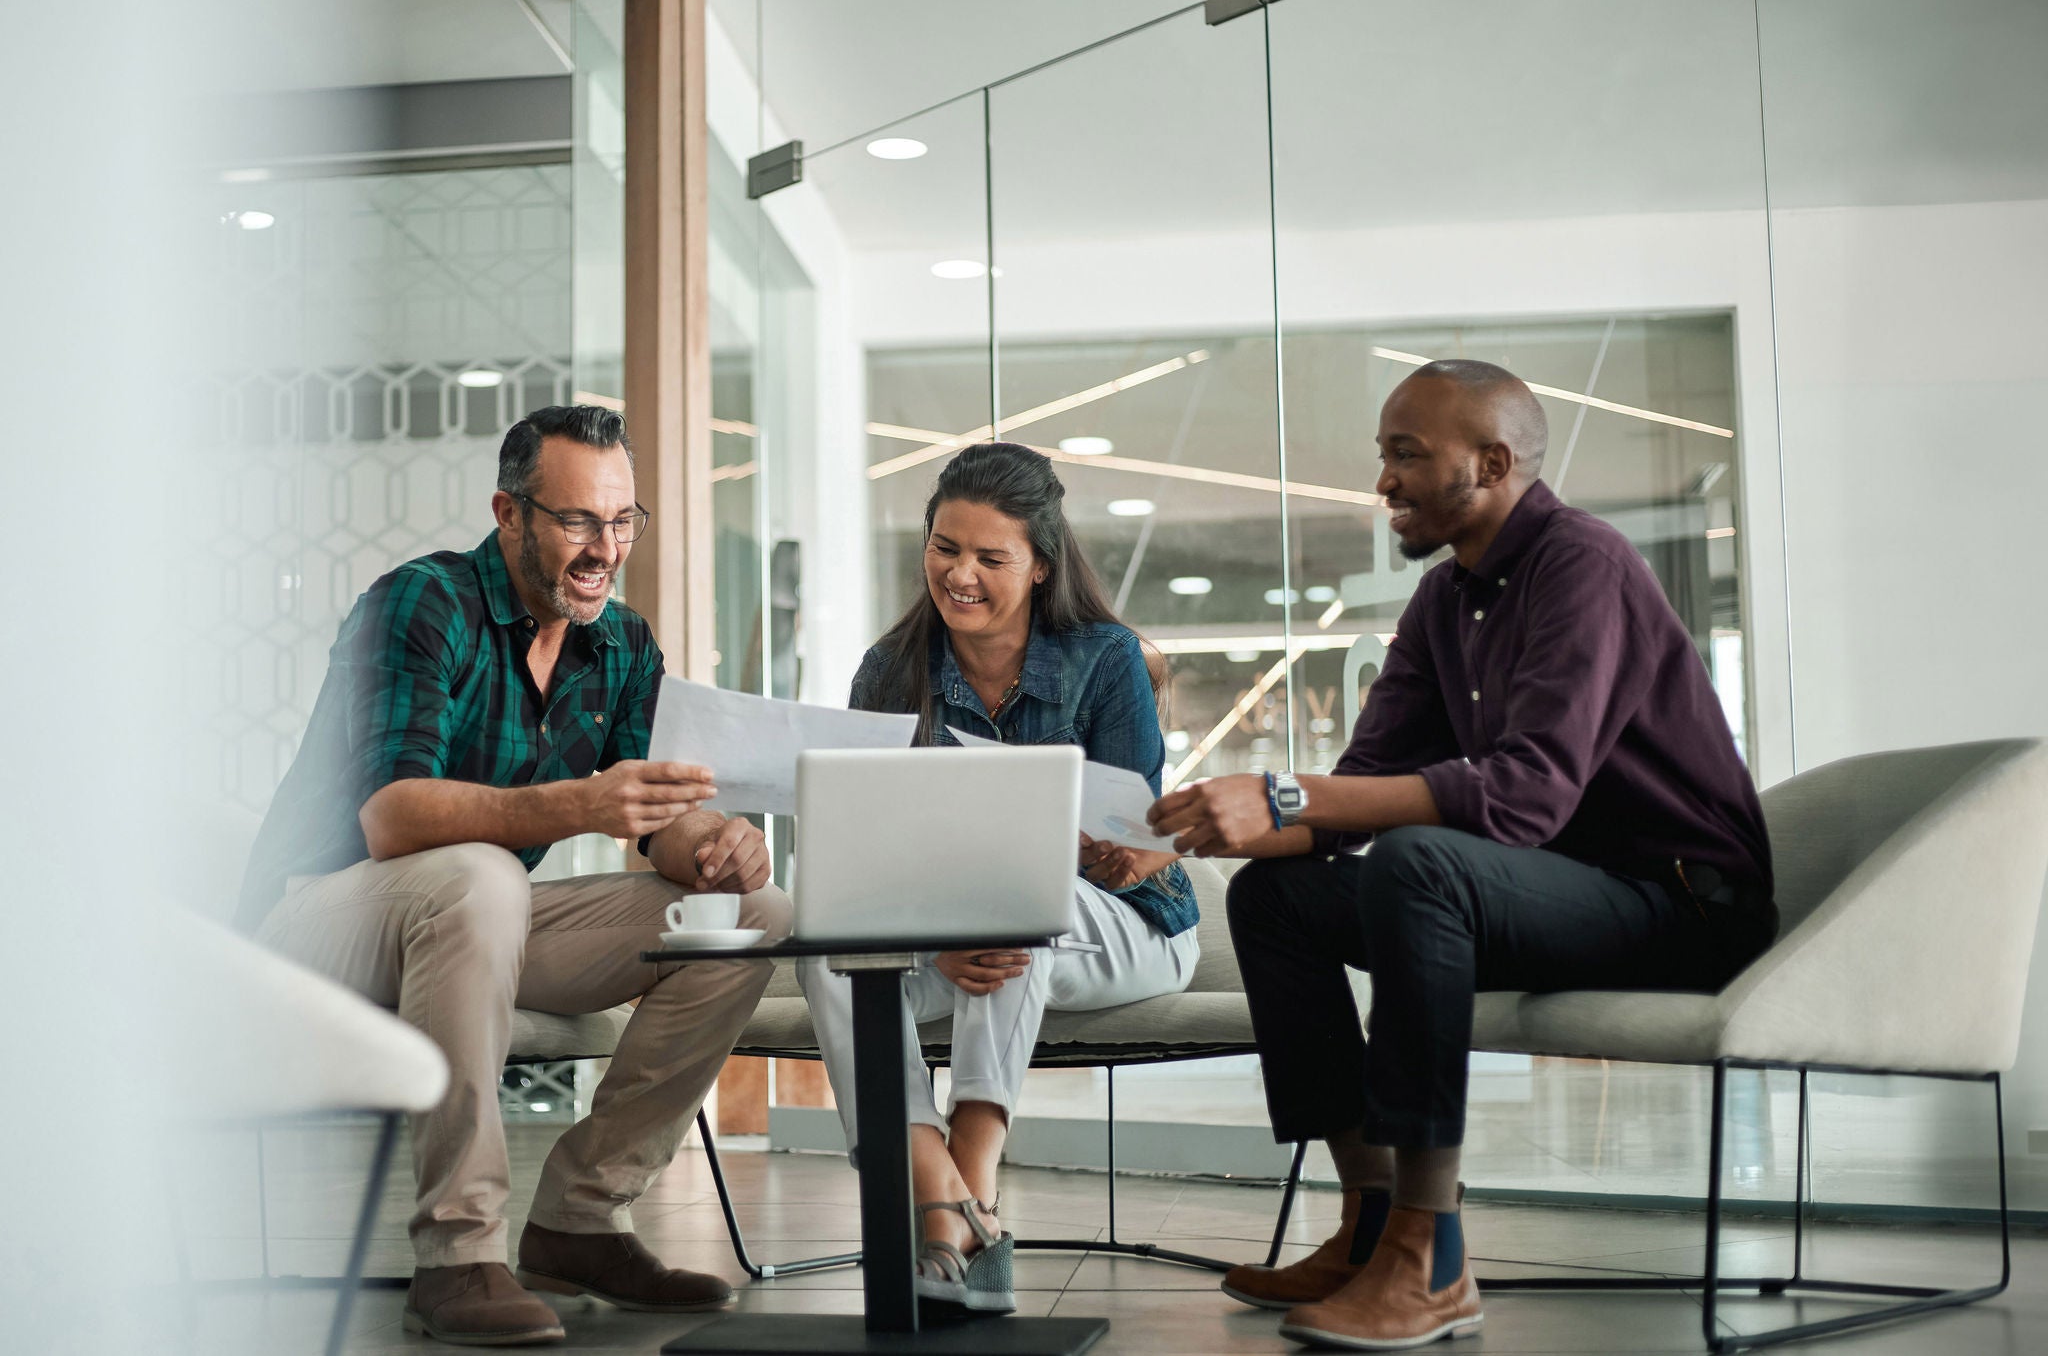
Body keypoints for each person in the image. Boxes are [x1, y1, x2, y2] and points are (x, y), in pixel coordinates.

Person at [1147, 360, 1776, 1351]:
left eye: (1405, 454)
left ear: (1488, 463)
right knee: (1278, 898)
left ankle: (1430, 1256)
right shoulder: (1445, 601)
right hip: (1548, 894)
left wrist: (1280, 792)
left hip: (1679, 904)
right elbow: (1355, 796)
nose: (1382, 481)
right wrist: (1187, 838)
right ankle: (1365, 1225)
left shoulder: (1585, 566)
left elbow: (1521, 795)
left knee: (1419, 862)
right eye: (1382, 456)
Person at [238, 405, 792, 1347]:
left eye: (622, 522)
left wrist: (713, 843)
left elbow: (645, 812)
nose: (603, 550)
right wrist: (584, 802)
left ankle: (580, 1217)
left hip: (468, 916)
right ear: (509, 512)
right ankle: (457, 1254)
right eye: (578, 521)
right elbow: (392, 817)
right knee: (484, 873)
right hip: (316, 922)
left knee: (751, 911)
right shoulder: (421, 603)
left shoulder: (620, 644)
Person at [797, 442, 1202, 1314]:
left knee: (1009, 903)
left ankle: (967, 1183)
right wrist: (934, 934)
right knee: (826, 950)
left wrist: (1114, 848)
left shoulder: (1105, 658)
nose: (961, 574)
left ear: (1040, 565)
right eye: (946, 548)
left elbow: (1143, 830)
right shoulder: (890, 670)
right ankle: (941, 1201)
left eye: (990, 557)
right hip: (955, 927)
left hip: (1124, 924)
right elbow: (868, 843)